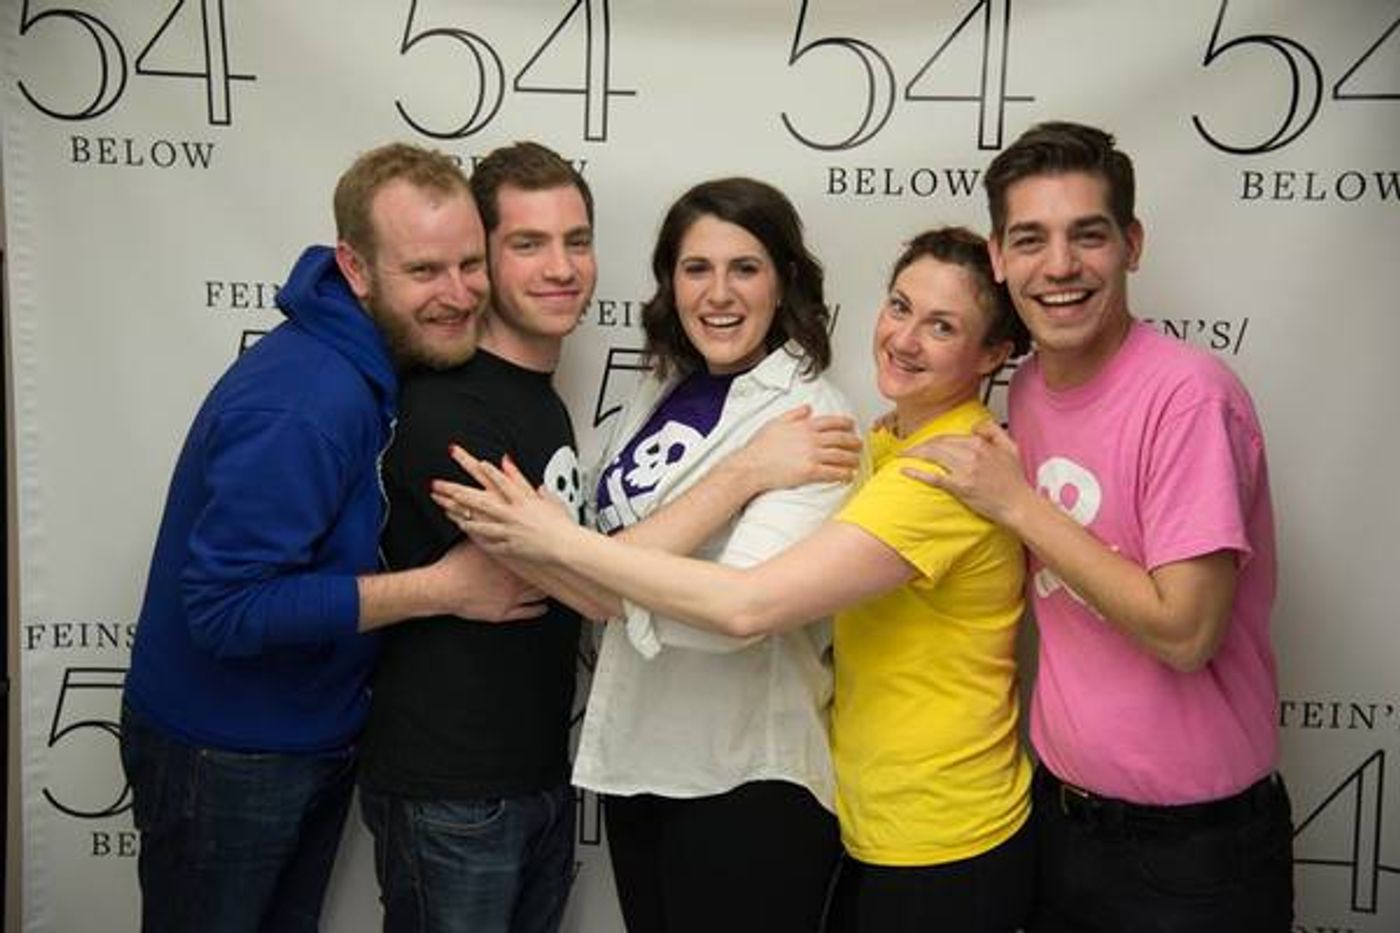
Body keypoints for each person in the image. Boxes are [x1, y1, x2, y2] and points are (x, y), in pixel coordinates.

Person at [438, 226, 1037, 933]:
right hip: (880, 817)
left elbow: (746, 607)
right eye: (900, 306)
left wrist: (560, 543)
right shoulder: (887, 440)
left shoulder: (943, 471)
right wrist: (540, 552)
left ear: (994, 354)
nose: (904, 339)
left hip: (943, 827)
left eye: (942, 326)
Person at [355, 156, 857, 933]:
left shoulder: (811, 423)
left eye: (745, 268)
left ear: (784, 279)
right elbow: (590, 574)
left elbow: (724, 610)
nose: (718, 293)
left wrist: (560, 545)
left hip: (738, 772)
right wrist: (730, 481)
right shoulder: (661, 387)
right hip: (617, 769)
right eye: (696, 268)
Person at [121, 142, 542, 932]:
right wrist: (443, 588)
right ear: (355, 268)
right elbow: (225, 608)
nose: (459, 294)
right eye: (425, 271)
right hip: (227, 753)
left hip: (303, 731)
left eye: (469, 263)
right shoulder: (307, 399)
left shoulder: (378, 353)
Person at [904, 121, 1293, 931]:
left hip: (1190, 856)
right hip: (1058, 820)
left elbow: (1187, 631)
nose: (1059, 266)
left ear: (1131, 245)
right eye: (1030, 239)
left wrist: (1020, 505)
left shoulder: (1189, 398)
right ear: (998, 256)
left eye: (1088, 235)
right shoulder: (1026, 390)